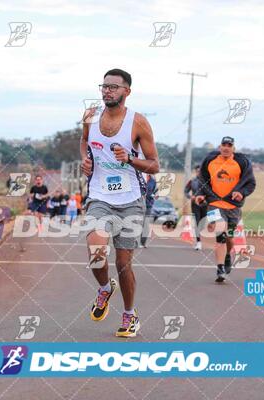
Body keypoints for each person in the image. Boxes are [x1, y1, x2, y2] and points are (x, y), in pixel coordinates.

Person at [80, 68, 160, 337]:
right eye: (104, 86)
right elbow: (84, 143)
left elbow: (154, 166)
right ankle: (104, 289)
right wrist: (85, 161)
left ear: (127, 91)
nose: (107, 90)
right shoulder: (90, 119)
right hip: (100, 195)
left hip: (130, 200)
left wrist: (129, 159)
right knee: (96, 251)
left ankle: (129, 315)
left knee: (123, 263)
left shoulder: (138, 122)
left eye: (113, 87)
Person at [195, 136, 256, 283]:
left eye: (230, 145)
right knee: (220, 233)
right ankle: (220, 268)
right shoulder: (210, 161)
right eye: (224, 145)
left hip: (233, 206)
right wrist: (200, 194)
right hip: (214, 203)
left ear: (233, 148)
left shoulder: (241, 163)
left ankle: (228, 254)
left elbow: (251, 183)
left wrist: (241, 193)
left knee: (229, 237)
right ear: (220, 147)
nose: (226, 147)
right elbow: (202, 179)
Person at [185, 165, 207, 250]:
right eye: (197, 171)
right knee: (197, 222)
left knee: (202, 223)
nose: (199, 172)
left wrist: (206, 197)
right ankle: (198, 242)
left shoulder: (207, 181)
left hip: (205, 204)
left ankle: (199, 233)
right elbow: (186, 191)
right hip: (195, 204)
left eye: (200, 171)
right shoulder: (192, 181)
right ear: (196, 172)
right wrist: (190, 197)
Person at [140, 174, 158, 248]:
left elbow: (156, 192)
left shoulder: (153, 181)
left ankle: (143, 243)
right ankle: (135, 242)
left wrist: (154, 196)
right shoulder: (138, 176)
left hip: (148, 205)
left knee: (146, 224)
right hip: (138, 204)